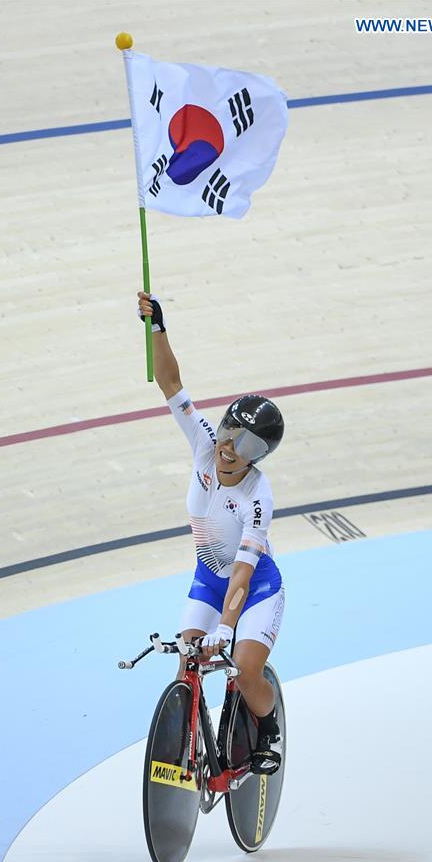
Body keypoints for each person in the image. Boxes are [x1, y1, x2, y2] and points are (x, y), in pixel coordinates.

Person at [137, 291, 286, 775]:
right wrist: (157, 327)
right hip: (207, 579)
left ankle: (268, 732)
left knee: (242, 671)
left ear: (258, 456)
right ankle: (186, 753)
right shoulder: (204, 444)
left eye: (247, 443)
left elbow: (243, 571)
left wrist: (226, 626)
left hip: (256, 588)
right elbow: (171, 384)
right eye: (230, 430)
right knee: (186, 667)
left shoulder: (257, 496)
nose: (230, 446)